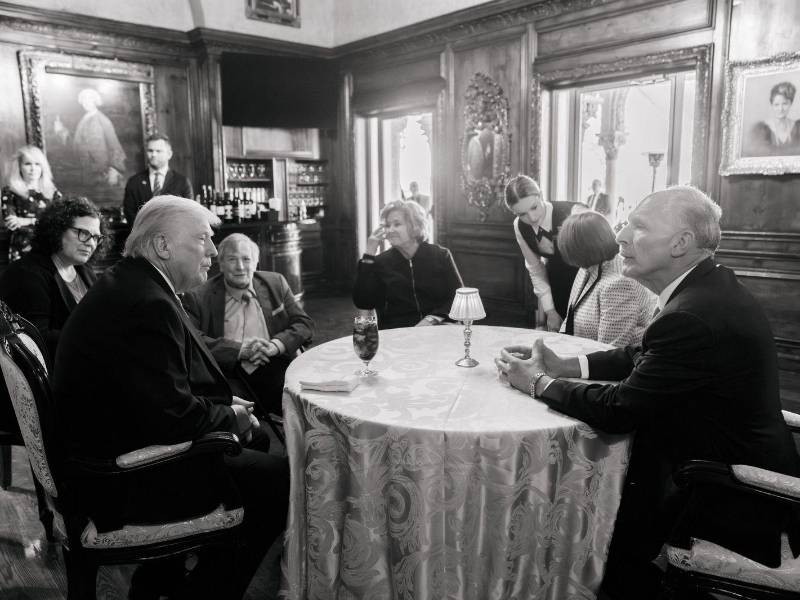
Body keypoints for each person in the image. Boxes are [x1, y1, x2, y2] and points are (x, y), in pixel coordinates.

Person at [495, 186, 800, 600]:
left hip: (725, 495)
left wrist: (535, 383)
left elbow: (619, 409)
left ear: (680, 243)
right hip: (727, 453)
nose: (619, 236)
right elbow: (641, 352)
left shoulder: (694, 313)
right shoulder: (704, 288)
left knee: (599, 522)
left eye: (637, 227)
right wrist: (567, 366)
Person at [52, 195, 288, 599]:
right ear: (163, 246)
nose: (214, 252)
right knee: (282, 481)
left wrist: (225, 408)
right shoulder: (146, 303)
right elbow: (173, 416)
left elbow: (154, 388)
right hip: (124, 479)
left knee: (260, 441)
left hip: (110, 447)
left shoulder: (132, 283)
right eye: (203, 240)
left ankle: (162, 578)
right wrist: (228, 416)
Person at [182, 232, 314, 417]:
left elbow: (304, 324)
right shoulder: (198, 296)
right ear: (220, 263)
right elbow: (193, 340)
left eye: (246, 259)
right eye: (232, 259)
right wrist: (240, 350)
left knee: (304, 404)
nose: (240, 266)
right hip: (230, 371)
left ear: (256, 262)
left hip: (275, 362)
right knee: (239, 415)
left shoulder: (275, 282)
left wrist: (275, 345)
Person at [0, 197, 102, 360]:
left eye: (96, 237)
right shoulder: (25, 273)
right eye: (83, 233)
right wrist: (100, 339)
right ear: (57, 229)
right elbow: (36, 338)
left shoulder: (84, 270)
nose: (91, 243)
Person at [353, 199, 463, 329]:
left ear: (415, 226)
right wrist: (369, 254)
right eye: (387, 226)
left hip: (437, 329)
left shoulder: (440, 255)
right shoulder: (380, 262)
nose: (390, 230)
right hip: (397, 335)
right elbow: (363, 301)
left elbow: (459, 298)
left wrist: (431, 319)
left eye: (397, 224)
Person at [557, 211, 654, 347]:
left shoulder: (619, 283)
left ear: (581, 249)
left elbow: (609, 349)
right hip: (582, 352)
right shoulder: (588, 266)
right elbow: (571, 315)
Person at [505, 174, 584, 331]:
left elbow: (598, 259)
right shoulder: (519, 226)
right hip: (557, 286)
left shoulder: (575, 212)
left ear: (540, 195)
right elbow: (535, 269)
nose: (532, 218)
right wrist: (551, 311)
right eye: (522, 214)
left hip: (586, 284)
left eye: (534, 207)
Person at [1, 145, 62, 262]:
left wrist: (28, 221)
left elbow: (59, 220)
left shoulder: (53, 192)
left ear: (43, 167)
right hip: (22, 249)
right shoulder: (9, 192)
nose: (33, 168)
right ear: (19, 167)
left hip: (50, 247)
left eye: (37, 164)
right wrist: (42, 221)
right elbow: (11, 222)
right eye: (28, 164)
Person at [123, 133, 193, 224]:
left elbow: (189, 214)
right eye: (150, 151)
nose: (153, 154)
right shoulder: (134, 182)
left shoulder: (182, 182)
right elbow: (129, 213)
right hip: (143, 236)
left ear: (169, 154)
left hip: (173, 236)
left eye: (158, 151)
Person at [72, 88, 127, 188]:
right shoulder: (83, 120)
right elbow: (77, 143)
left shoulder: (103, 120)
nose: (86, 103)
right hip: (85, 170)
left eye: (89, 100)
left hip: (101, 172)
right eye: (84, 100)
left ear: (95, 101)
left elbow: (114, 145)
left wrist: (114, 169)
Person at [744, 81, 800, 156]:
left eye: (785, 104)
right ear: (772, 105)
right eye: (776, 104)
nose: (781, 109)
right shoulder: (762, 129)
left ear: (790, 104)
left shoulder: (797, 127)